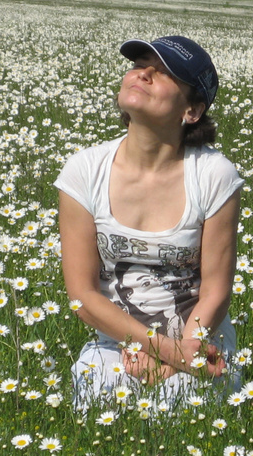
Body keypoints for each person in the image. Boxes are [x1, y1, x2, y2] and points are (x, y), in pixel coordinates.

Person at [55, 36, 243, 411]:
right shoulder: (84, 172)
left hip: (199, 340)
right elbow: (83, 296)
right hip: (117, 343)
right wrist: (161, 350)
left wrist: (183, 356)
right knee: (99, 405)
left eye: (164, 73)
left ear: (192, 110)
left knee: (185, 409)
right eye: (140, 65)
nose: (143, 74)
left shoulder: (214, 175)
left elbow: (215, 291)